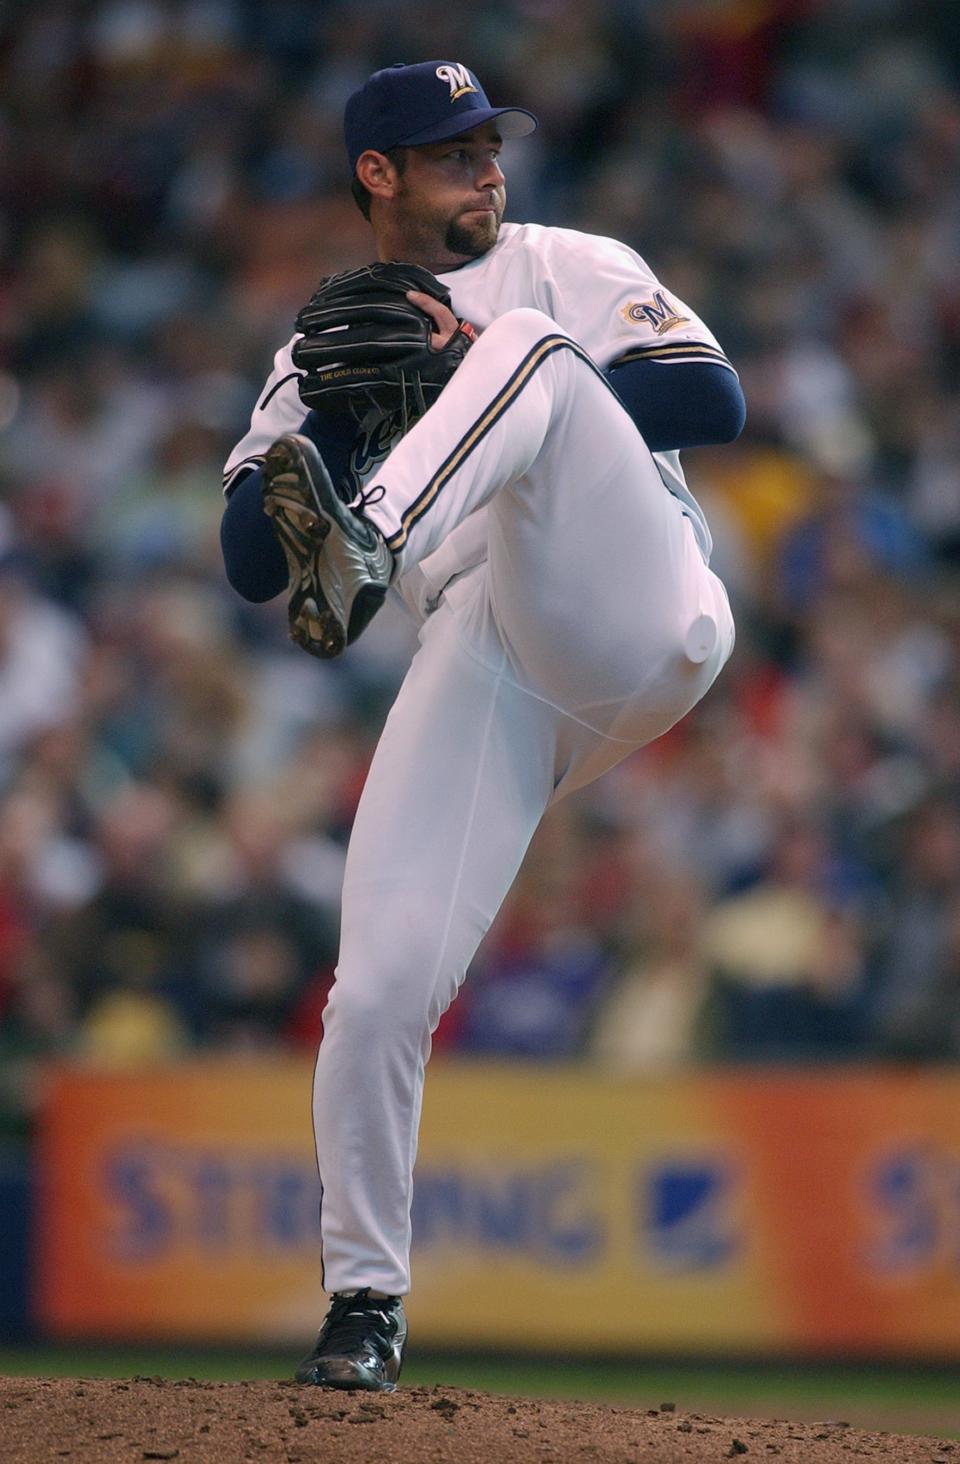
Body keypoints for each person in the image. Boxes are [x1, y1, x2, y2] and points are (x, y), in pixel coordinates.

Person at [220, 60, 744, 1391]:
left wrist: (448, 381)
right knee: (379, 987)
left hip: (634, 600)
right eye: (453, 155)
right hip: (490, 659)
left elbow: (711, 400)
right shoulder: (315, 345)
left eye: (490, 147)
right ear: (378, 176)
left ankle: (377, 540)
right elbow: (243, 559)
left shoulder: (561, 263)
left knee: (528, 356)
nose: (488, 171)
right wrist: (334, 421)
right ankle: (364, 1306)